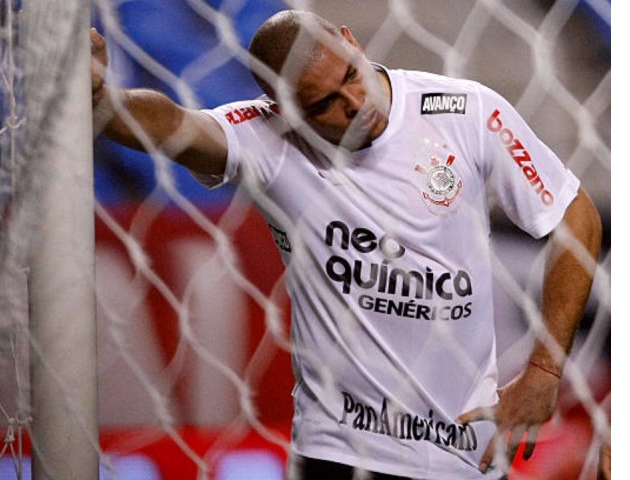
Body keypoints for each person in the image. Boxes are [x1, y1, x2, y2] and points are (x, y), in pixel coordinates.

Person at [91, 9, 602, 480]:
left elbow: (575, 215)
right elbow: (174, 125)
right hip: (337, 450)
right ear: (284, 109)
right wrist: (103, 102)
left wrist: (542, 369)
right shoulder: (265, 141)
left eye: (351, 76)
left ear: (352, 42)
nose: (354, 105)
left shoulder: (466, 112)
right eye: (325, 103)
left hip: (464, 451)